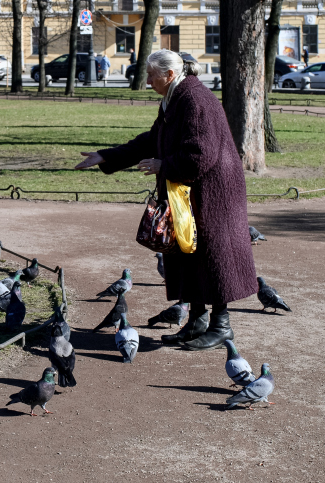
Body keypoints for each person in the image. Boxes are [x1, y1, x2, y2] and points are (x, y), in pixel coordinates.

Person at [75, 49, 258, 351]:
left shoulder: (195, 101)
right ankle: (197, 321)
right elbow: (152, 140)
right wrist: (106, 156)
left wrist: (164, 165)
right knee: (189, 252)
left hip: (213, 191)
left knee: (213, 256)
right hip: (189, 189)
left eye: (151, 75)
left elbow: (201, 154)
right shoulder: (175, 97)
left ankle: (221, 326)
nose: (146, 80)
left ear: (169, 75)